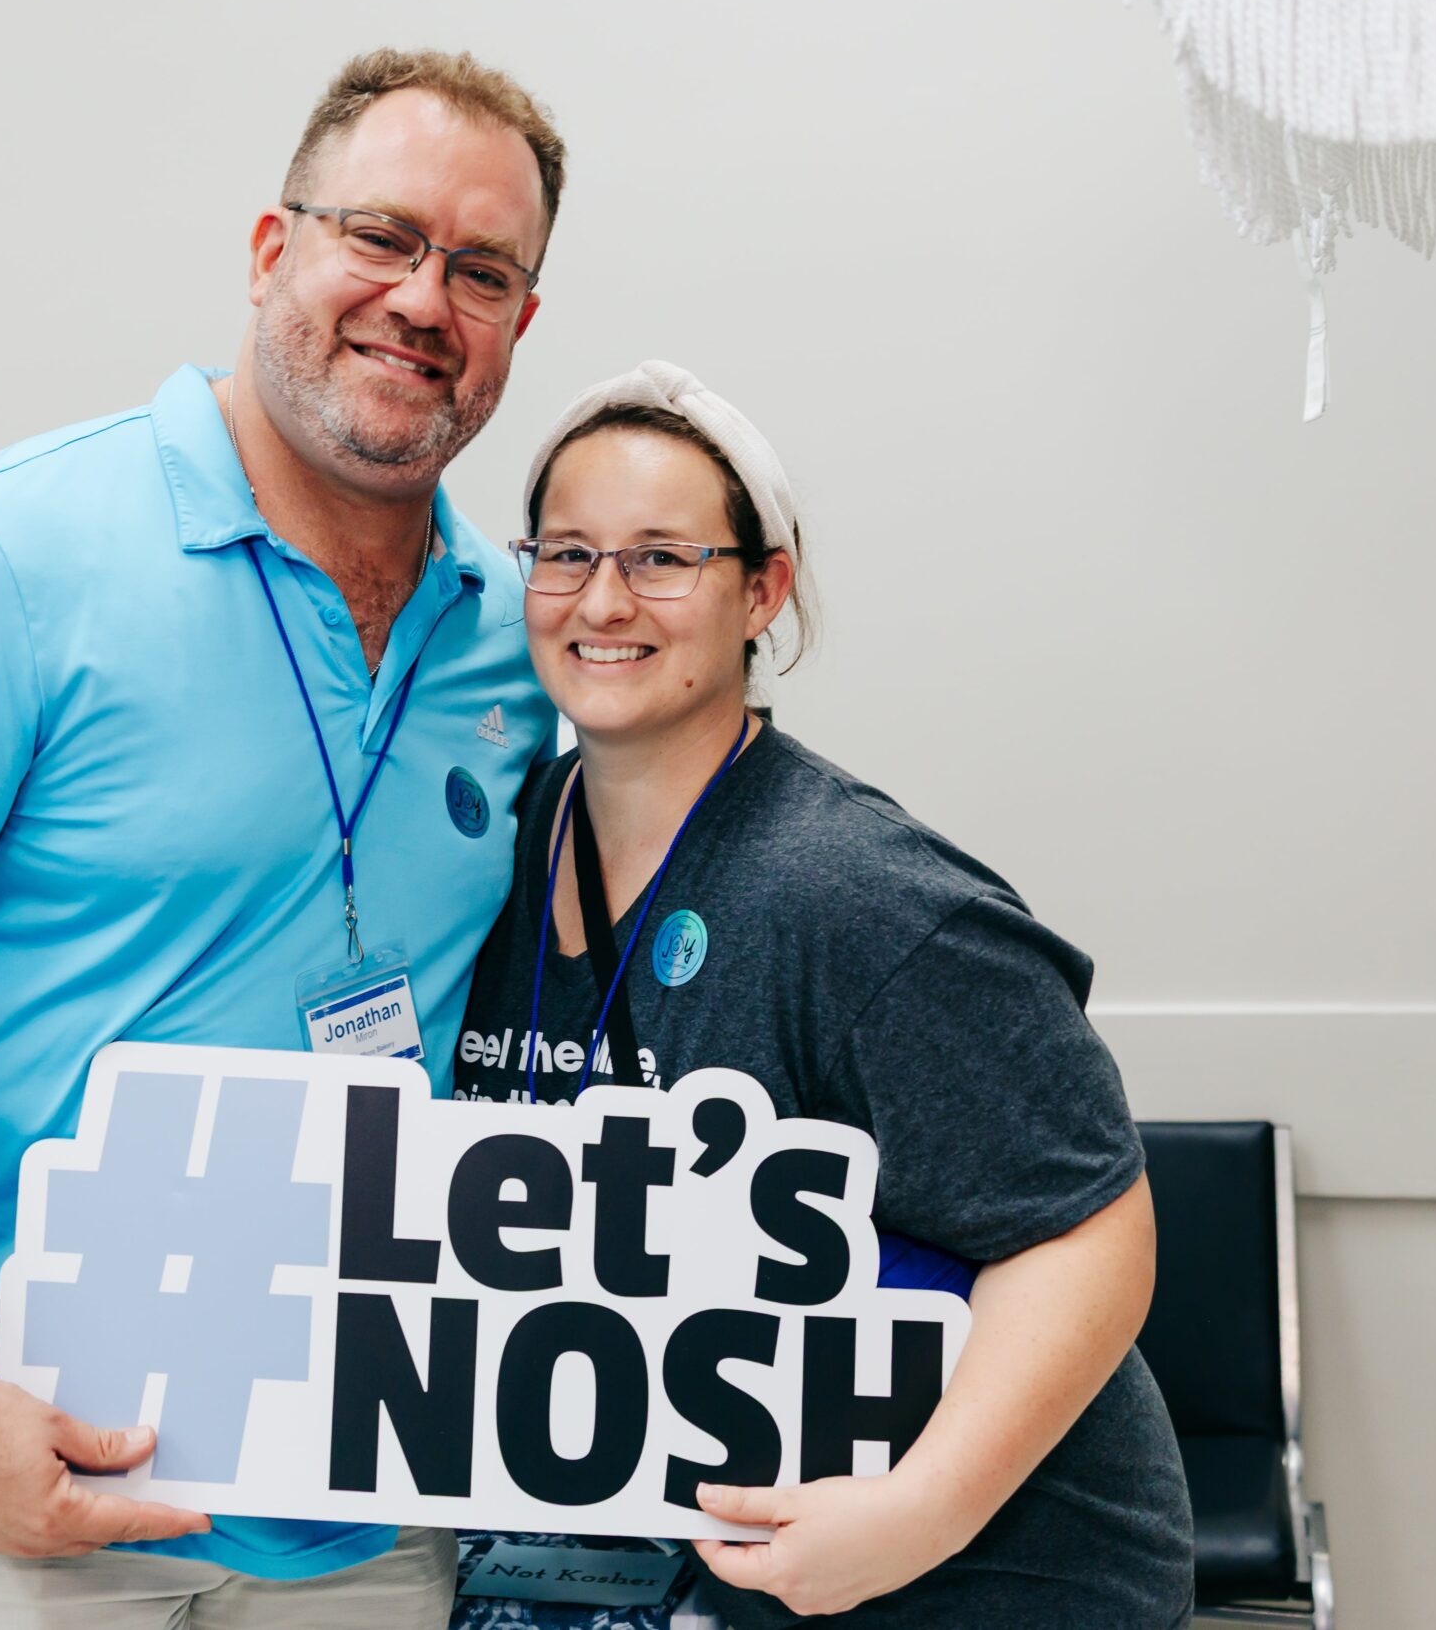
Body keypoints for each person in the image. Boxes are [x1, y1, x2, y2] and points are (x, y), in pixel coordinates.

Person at [0, 48, 568, 1629]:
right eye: (381, 235)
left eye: (481, 270)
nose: (424, 299)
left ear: (519, 321)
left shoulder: (513, 634)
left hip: (360, 1506)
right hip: (24, 1508)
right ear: (270, 250)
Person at [453, 362, 1196, 1626]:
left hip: (986, 1578)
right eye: (566, 553)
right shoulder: (501, 856)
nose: (603, 599)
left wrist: (921, 1512)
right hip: (710, 1567)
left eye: (662, 558)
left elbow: (1090, 1229)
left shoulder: (855, 897)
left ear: (763, 591)